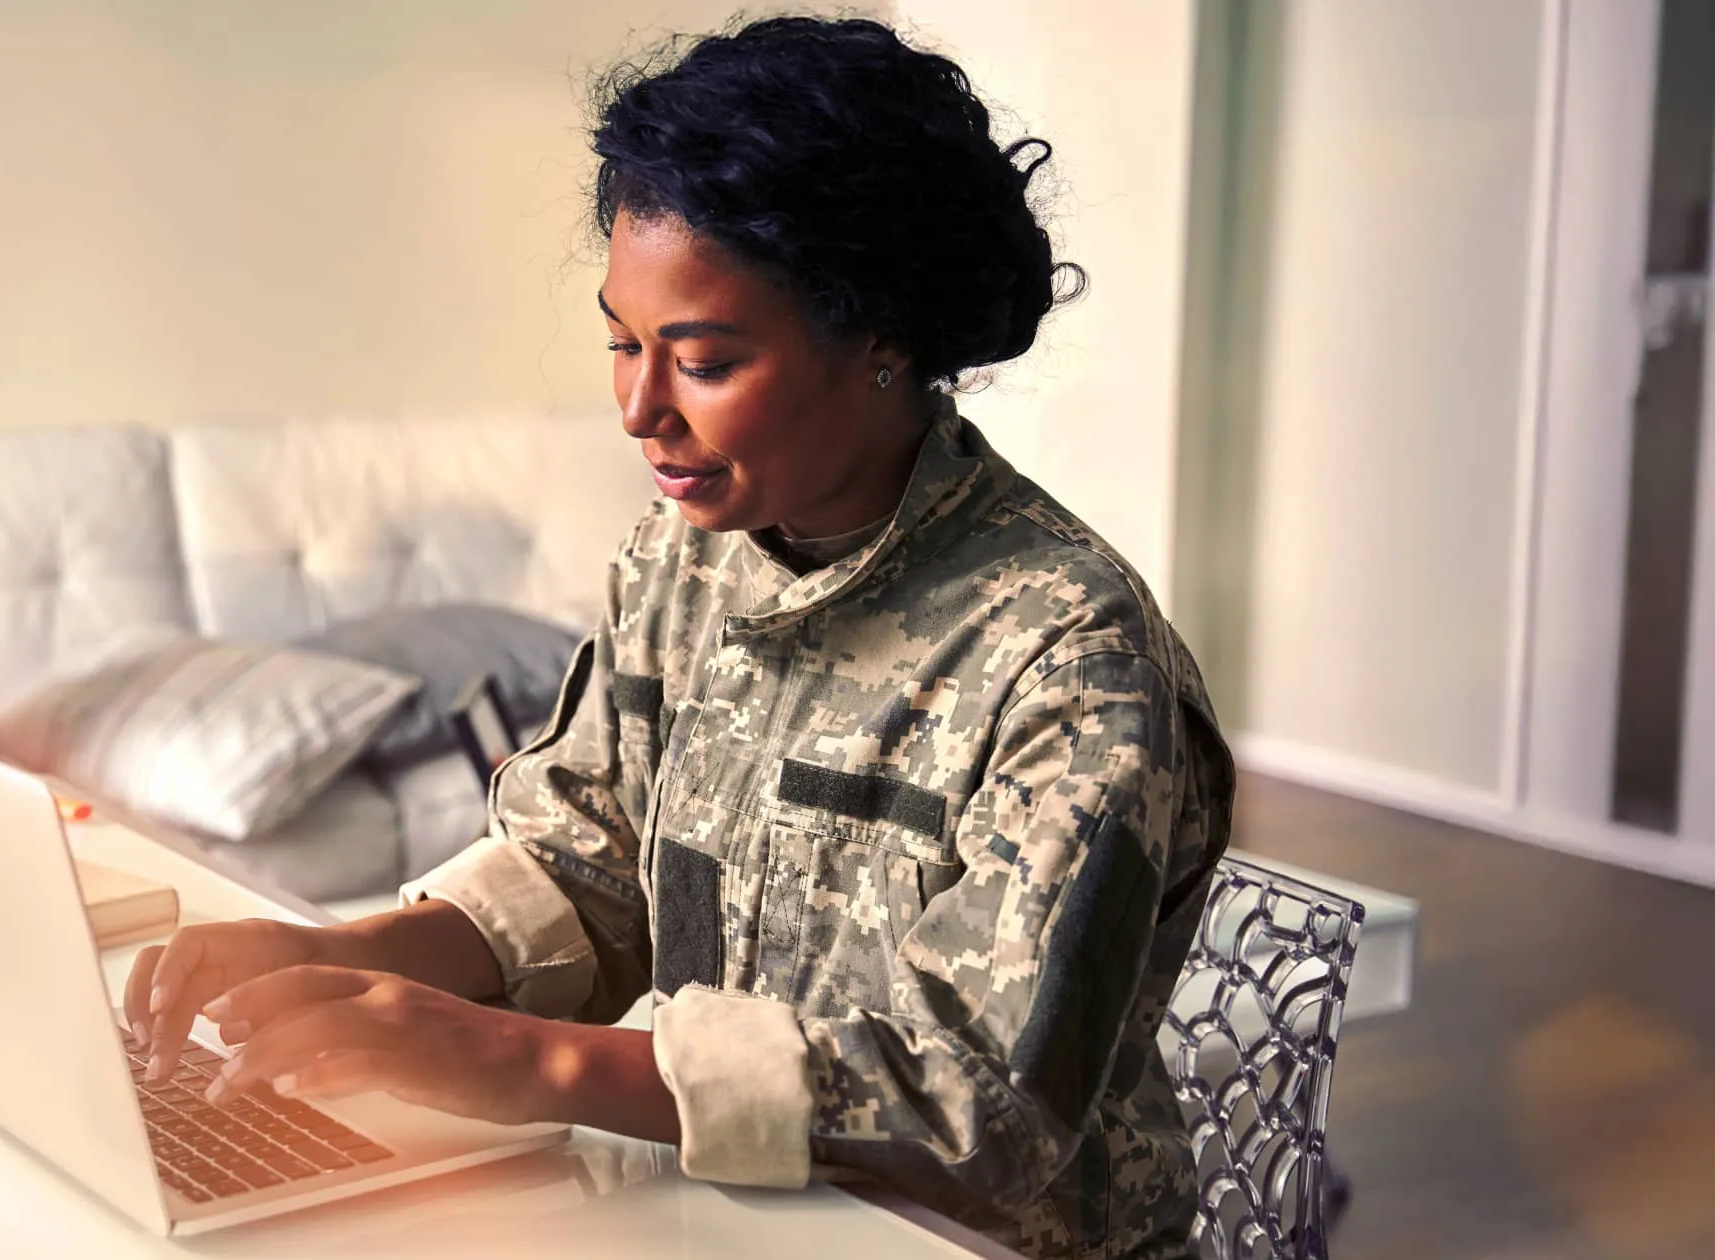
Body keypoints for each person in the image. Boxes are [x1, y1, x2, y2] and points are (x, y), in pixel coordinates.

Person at [123, 16, 1230, 1259]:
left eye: (701, 358)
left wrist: (515, 1056)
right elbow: (583, 863)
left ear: (884, 343)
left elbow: (982, 1100)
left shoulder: (1070, 657)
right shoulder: (681, 557)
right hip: (707, 1213)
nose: (640, 408)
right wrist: (347, 961)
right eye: (621, 340)